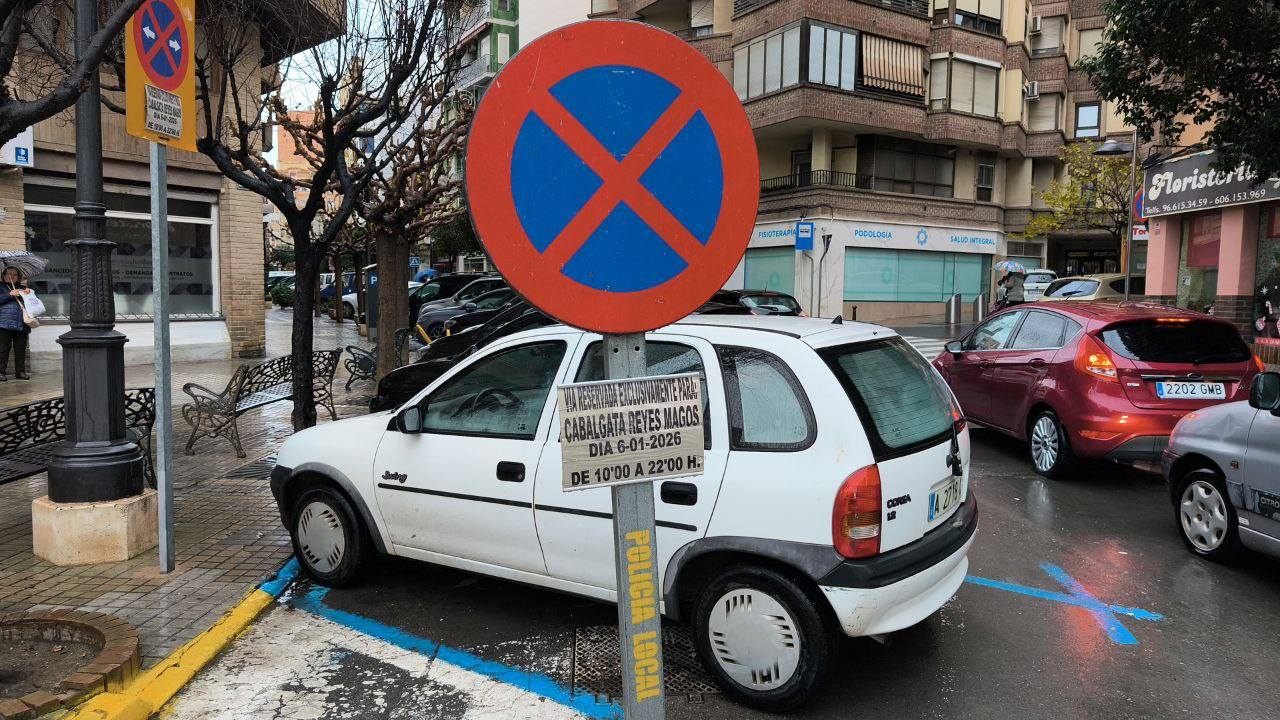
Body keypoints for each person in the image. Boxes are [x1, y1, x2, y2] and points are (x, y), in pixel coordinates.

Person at [0, 266, 31, 380]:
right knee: (3, 349)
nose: (11, 276)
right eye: (9, 274)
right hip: (4, 323)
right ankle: (1, 372)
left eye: (15, 274)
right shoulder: (1, 287)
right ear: (3, 276)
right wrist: (10, 294)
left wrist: (30, 293)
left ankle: (20, 372)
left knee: (20, 349)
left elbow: (32, 303)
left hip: (22, 323)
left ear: (18, 277)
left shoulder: (23, 288)